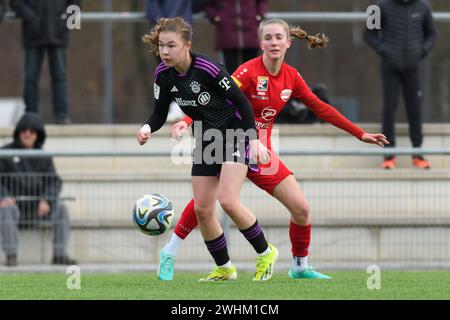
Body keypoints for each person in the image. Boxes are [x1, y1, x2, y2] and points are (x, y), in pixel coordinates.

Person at [156, 18, 389, 281]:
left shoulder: (292, 77)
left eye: (279, 37)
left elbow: (320, 108)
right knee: (208, 203)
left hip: (262, 150)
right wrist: (186, 122)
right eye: (268, 38)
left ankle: (299, 266)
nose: (274, 42)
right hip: (231, 139)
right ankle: (176, 252)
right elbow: (211, 98)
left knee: (301, 208)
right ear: (261, 43)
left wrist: (360, 134)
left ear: (288, 42)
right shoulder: (247, 72)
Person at [138, 17, 278, 282]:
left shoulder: (207, 68)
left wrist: (255, 139)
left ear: (187, 45)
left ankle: (265, 252)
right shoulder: (162, 75)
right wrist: (146, 128)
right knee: (203, 209)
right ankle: (225, 268)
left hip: (235, 132)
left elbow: (242, 102)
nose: (165, 52)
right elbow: (158, 113)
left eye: (171, 46)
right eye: (161, 46)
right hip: (205, 138)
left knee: (228, 200)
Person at [364, 0, 437, 169]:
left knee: (415, 109)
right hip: (390, 67)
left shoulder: (424, 7)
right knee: (389, 109)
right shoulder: (379, 6)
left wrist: (422, 51)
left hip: (413, 67)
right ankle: (389, 156)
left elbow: (432, 34)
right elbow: (368, 34)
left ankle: (418, 155)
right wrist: (384, 50)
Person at [0, 113, 77, 266]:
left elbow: (54, 181)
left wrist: (46, 200)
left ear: (38, 134)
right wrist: (4, 196)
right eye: (24, 130)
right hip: (14, 207)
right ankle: (11, 256)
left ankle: (59, 255)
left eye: (32, 131)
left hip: (38, 209)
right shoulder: (5, 153)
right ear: (18, 132)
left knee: (61, 208)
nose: (27, 134)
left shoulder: (43, 155)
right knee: (7, 209)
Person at [10, 0, 81, 125]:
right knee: (30, 76)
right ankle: (31, 115)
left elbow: (76, 4)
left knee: (60, 75)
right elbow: (16, 3)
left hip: (59, 35)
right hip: (32, 34)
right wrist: (31, 19)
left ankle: (62, 115)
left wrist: (66, 24)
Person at [145, 0, 193, 123]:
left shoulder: (207, 67)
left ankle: (182, 105)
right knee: (167, 72)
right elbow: (151, 7)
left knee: (184, 70)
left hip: (182, 32)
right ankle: (171, 106)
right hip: (163, 31)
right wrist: (165, 27)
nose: (165, 52)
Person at [204, 0, 267, 74]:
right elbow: (207, 4)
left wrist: (260, 14)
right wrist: (214, 16)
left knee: (252, 68)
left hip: (250, 28)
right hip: (227, 30)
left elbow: (262, 2)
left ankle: (251, 85)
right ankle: (232, 85)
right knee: (231, 69)